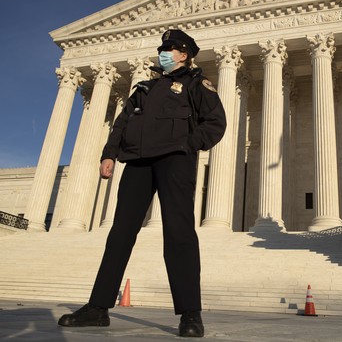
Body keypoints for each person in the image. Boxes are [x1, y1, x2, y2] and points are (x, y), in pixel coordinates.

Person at [58, 29, 227, 338]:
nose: (163, 53)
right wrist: (110, 153)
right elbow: (122, 122)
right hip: (137, 161)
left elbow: (216, 122)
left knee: (179, 232)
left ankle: (190, 314)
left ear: (183, 54)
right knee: (120, 233)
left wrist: (188, 144)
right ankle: (98, 308)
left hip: (175, 159)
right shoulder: (145, 88)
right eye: (162, 49)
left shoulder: (195, 84)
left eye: (168, 49)